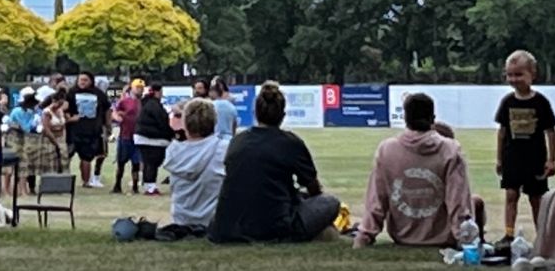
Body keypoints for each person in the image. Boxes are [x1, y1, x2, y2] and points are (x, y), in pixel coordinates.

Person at [209, 82, 340, 243]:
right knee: (330, 203)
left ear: (255, 113)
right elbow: (313, 186)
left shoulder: (238, 141)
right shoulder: (291, 143)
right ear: (282, 115)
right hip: (275, 227)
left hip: (227, 227)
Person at [353, 93, 473, 249]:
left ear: (405, 117)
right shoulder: (451, 149)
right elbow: (458, 201)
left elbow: (376, 200)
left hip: (402, 236)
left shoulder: (387, 150)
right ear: (433, 118)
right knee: (476, 202)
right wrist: (466, 241)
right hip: (444, 238)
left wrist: (365, 235)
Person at [495, 50, 555, 245]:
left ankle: (542, 237)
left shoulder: (540, 102)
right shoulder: (507, 102)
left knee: (536, 199)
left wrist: (551, 160)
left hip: (535, 158)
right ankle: (508, 234)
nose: (514, 79)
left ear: (532, 74)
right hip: (512, 157)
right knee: (511, 195)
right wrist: (499, 159)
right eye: (510, 74)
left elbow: (550, 132)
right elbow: (502, 132)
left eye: (519, 74)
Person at [163, 98, 229, 227]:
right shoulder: (223, 149)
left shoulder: (173, 151)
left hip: (181, 220)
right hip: (213, 221)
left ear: (185, 124)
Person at [65, 71, 111, 188]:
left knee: (87, 158)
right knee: (67, 156)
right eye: (81, 80)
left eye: (85, 80)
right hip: (73, 131)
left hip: (92, 131)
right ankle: (64, 180)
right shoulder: (71, 92)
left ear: (91, 81)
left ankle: (86, 181)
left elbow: (107, 109)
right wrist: (68, 119)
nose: (82, 82)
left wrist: (108, 125)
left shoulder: (99, 93)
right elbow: (64, 108)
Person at [134, 83, 174, 196]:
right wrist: (171, 134)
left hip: (143, 137)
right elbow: (162, 122)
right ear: (157, 92)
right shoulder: (154, 105)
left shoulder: (147, 103)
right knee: (152, 162)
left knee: (148, 163)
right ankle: (150, 186)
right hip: (152, 138)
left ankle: (149, 185)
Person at [6, 87, 40, 195]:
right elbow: (11, 124)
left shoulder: (31, 113)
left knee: (24, 165)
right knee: (9, 166)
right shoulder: (16, 111)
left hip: (25, 139)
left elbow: (28, 127)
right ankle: (6, 190)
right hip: (13, 139)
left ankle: (23, 190)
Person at [111, 79, 143, 194]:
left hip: (138, 137)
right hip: (125, 135)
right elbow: (114, 111)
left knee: (136, 163)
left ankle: (135, 186)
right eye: (137, 87)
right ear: (132, 88)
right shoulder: (124, 101)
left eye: (141, 87)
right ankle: (117, 185)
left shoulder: (143, 102)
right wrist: (117, 117)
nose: (140, 89)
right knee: (121, 162)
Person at [37, 90, 69, 175]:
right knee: (51, 163)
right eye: (59, 103)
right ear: (54, 101)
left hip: (61, 139)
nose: (60, 105)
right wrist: (55, 142)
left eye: (61, 104)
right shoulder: (47, 112)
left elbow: (63, 125)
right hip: (49, 140)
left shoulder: (60, 111)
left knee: (63, 162)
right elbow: (47, 129)